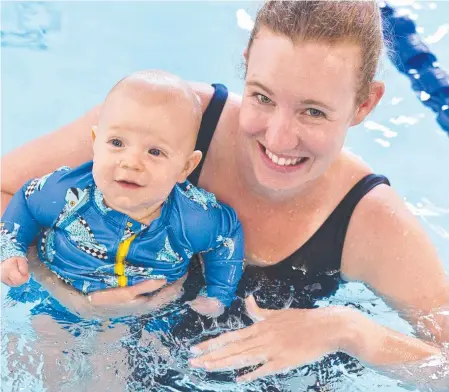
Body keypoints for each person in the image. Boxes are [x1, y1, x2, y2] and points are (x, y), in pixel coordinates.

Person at [2, 0, 448, 388]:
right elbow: (8, 192)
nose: (279, 138)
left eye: (313, 111)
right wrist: (62, 288)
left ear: (365, 104)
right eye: (263, 98)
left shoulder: (369, 222)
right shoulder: (168, 121)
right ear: (246, 64)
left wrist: (348, 330)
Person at [1, 70, 244, 317]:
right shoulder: (67, 195)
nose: (131, 162)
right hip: (59, 297)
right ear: (96, 142)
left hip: (148, 314)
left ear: (185, 167)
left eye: (155, 152)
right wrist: (10, 249)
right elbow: (25, 201)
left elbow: (227, 236)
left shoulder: (193, 218)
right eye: (117, 143)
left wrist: (217, 295)